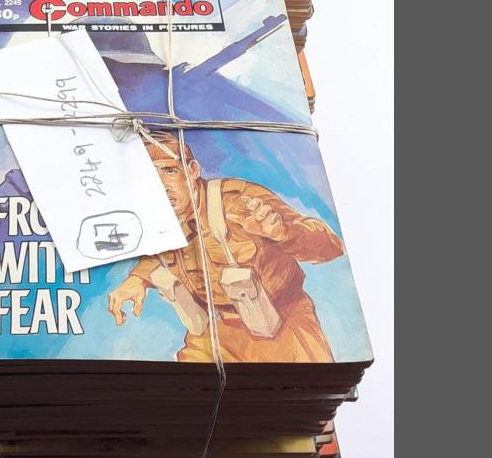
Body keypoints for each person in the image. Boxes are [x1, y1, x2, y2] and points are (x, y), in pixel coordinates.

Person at [106, 130, 345, 364]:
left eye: (169, 171)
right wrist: (138, 279)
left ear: (192, 170)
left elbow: (331, 247)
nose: (160, 185)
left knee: (304, 386)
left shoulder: (237, 200)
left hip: (283, 324)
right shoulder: (158, 219)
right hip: (215, 331)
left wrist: (282, 232)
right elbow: (161, 254)